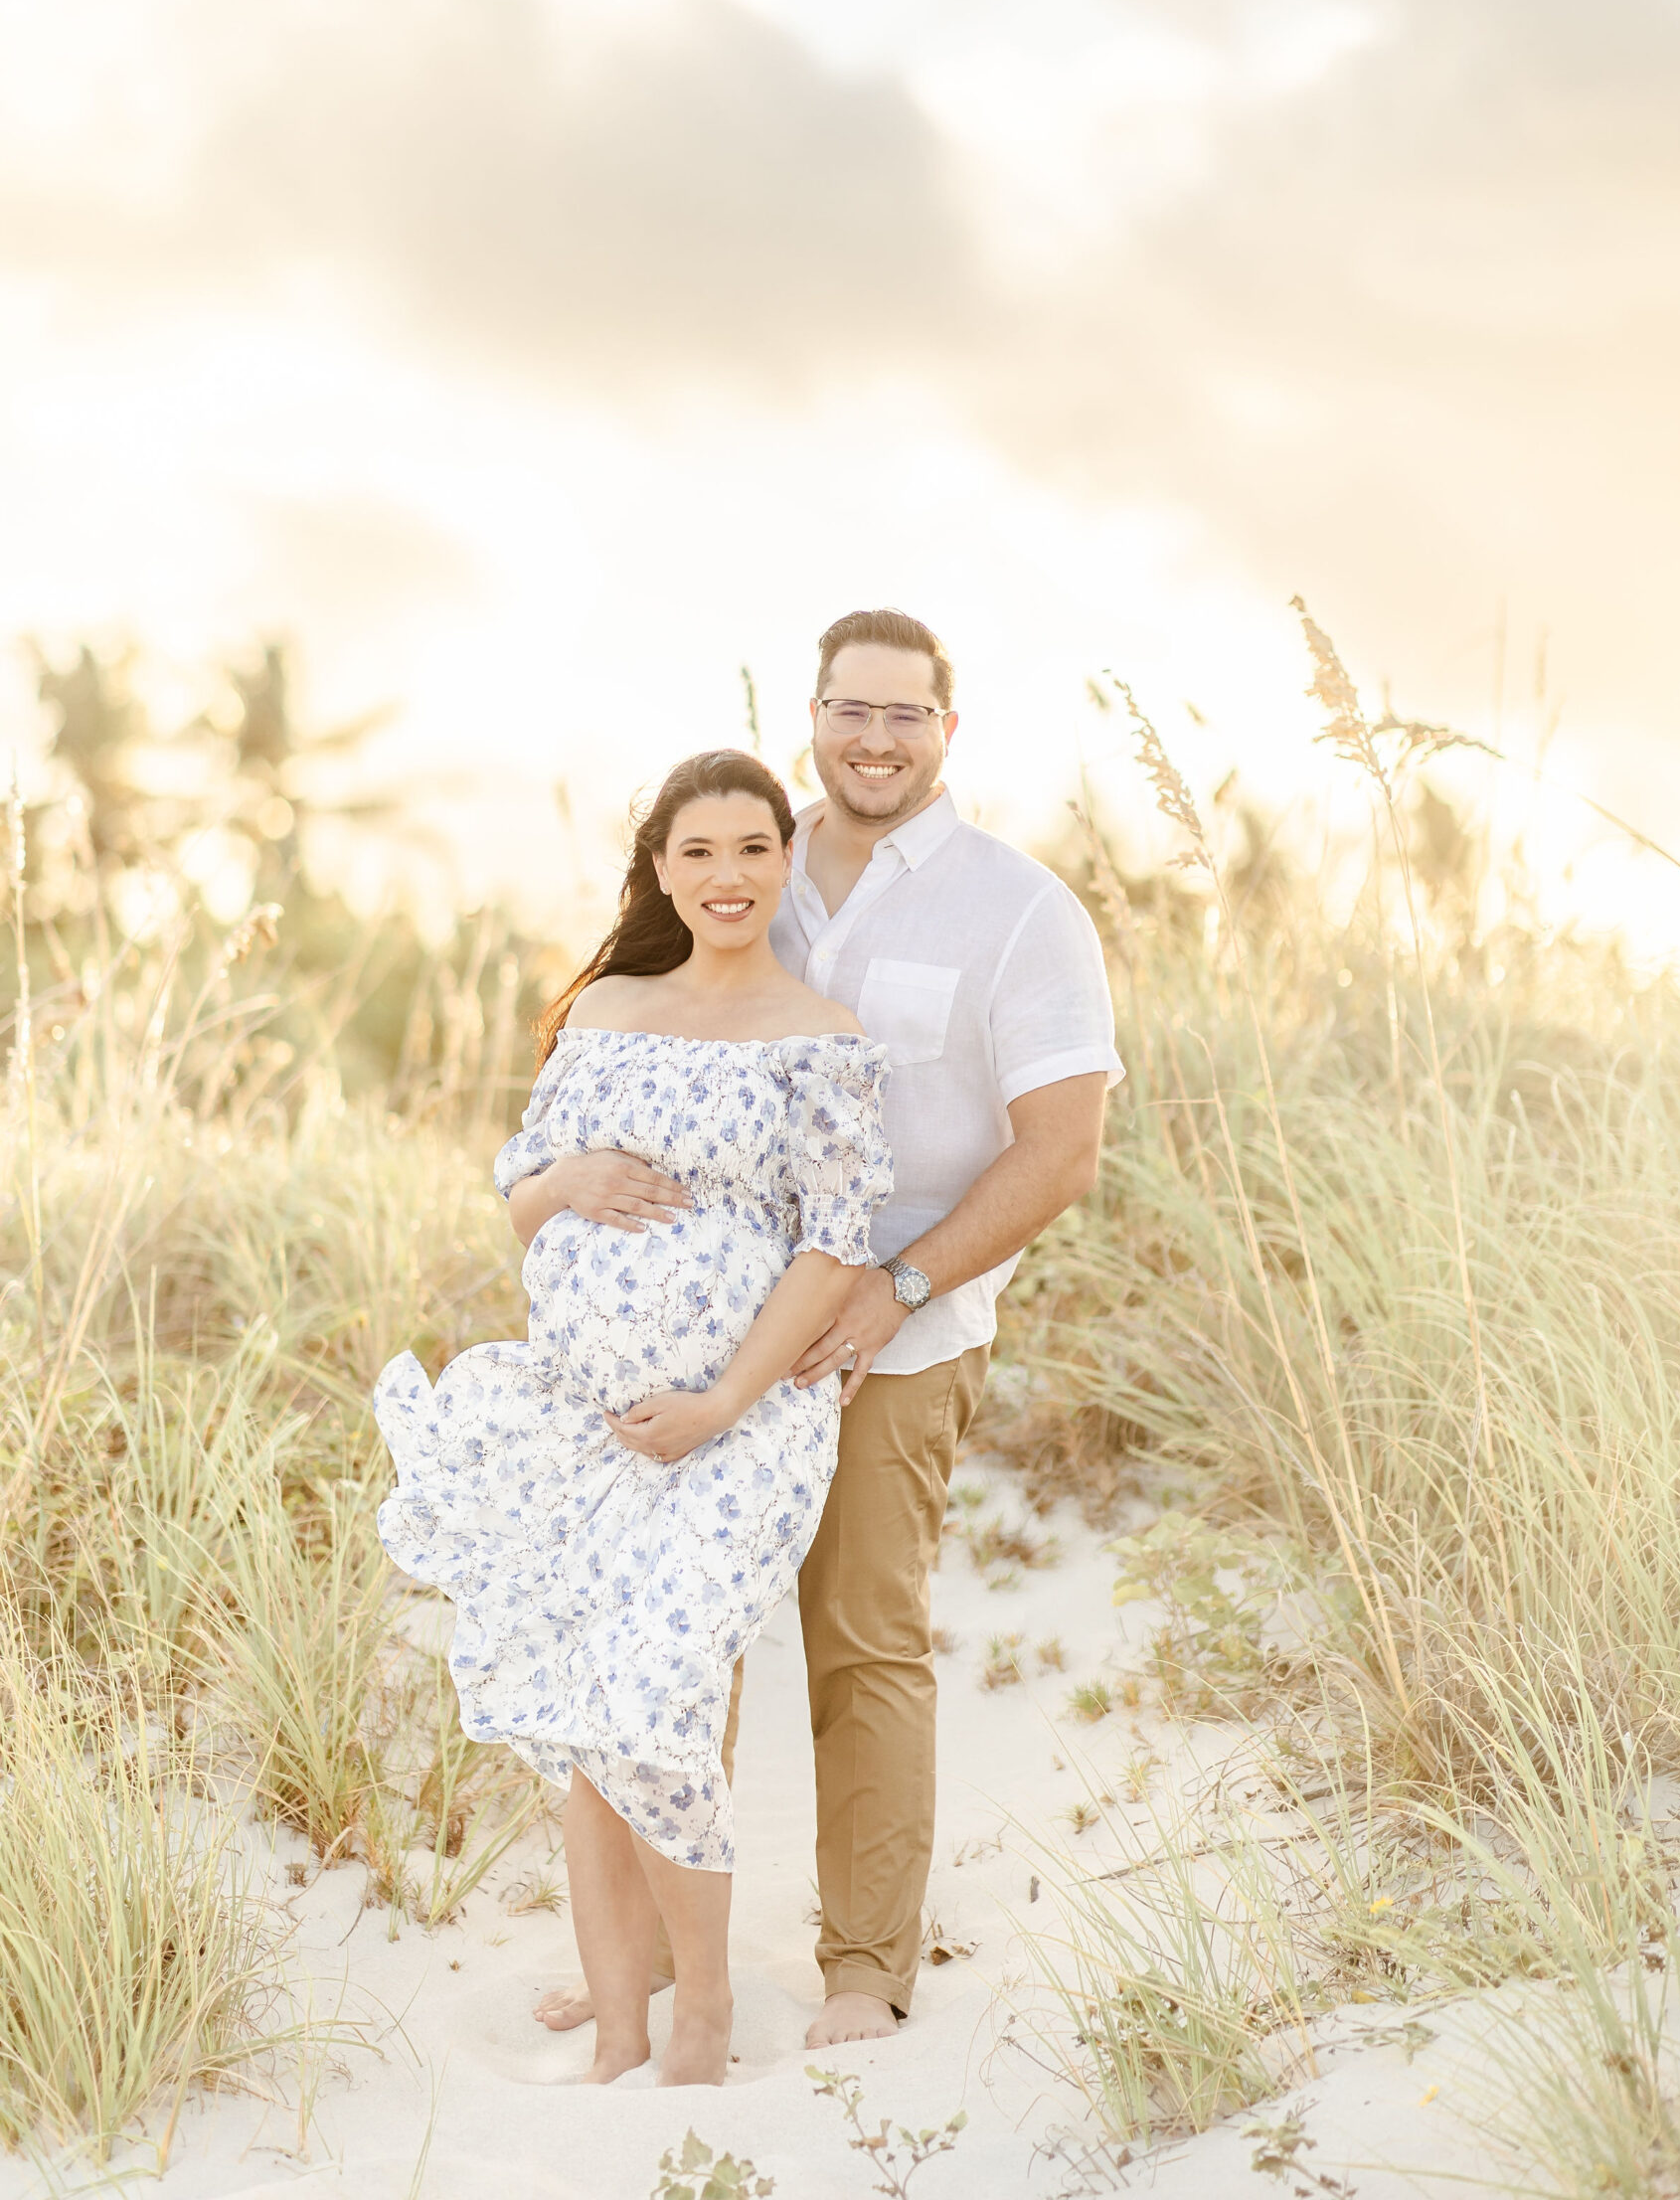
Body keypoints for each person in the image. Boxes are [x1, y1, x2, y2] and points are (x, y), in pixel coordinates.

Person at [517, 609, 1122, 2049]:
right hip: (693, 1344)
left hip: (897, 1336)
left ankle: (863, 1968)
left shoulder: (1019, 910)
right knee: (674, 1641)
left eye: (906, 714)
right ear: (813, 716)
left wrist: (896, 1286)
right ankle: (659, 1957)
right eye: (852, 708)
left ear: (948, 731)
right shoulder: (744, 856)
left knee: (861, 1638)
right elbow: (614, 1042)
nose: (875, 737)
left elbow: (1060, 1153)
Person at [372, 748, 892, 2088]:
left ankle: (703, 2014)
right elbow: (516, 1198)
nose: (728, 878)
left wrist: (724, 1399)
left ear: (789, 862)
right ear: (661, 868)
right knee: (584, 1719)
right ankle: (616, 2027)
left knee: (655, 1698)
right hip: (578, 1424)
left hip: (741, 1427)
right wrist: (574, 1176)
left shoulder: (820, 1040)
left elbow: (833, 1250)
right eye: (700, 854)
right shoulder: (604, 1005)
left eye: (754, 852)